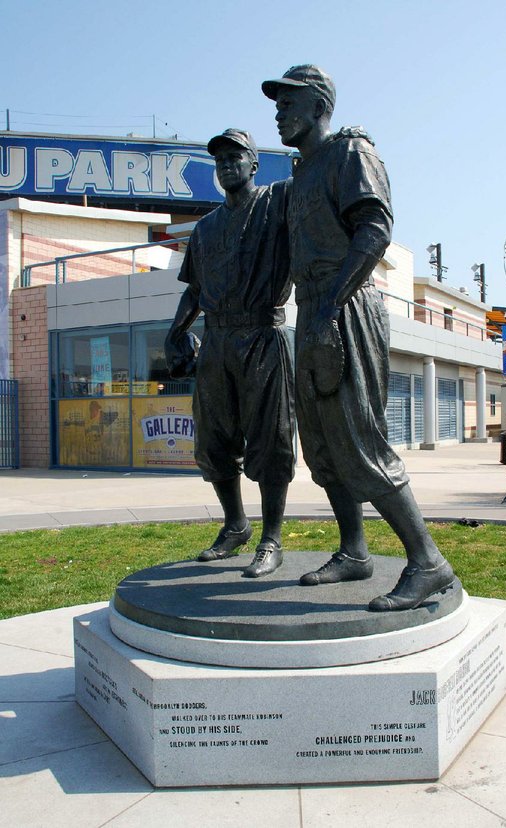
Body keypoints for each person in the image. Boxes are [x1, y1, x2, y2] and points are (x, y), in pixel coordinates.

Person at [262, 65, 456, 610]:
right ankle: (355, 551)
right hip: (314, 310)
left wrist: (328, 306)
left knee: (358, 439)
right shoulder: (301, 174)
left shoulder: (351, 154)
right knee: (322, 445)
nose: (278, 111)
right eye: (276, 103)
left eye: (288, 101)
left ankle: (428, 563)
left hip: (345, 306)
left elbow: (374, 230)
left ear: (319, 104)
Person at [164, 129, 294, 578]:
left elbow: (317, 181)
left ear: (254, 164)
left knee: (271, 438)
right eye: (219, 159)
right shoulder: (205, 228)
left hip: (261, 332)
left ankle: (272, 537)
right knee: (213, 440)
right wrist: (176, 331)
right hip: (216, 341)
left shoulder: (277, 204)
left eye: (235, 156)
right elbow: (194, 290)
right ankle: (235, 525)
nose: (226, 164)